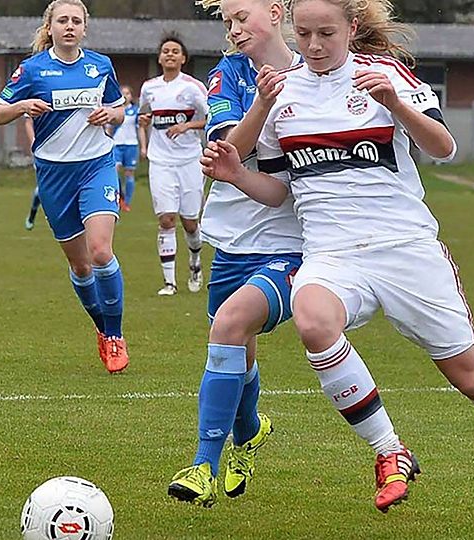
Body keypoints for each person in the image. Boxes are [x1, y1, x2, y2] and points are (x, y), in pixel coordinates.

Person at [201, 0, 474, 525]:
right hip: (332, 254)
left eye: (327, 33)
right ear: (290, 29)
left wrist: (396, 104)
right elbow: (279, 193)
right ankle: (389, 450)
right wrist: (237, 175)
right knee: (313, 318)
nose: (315, 45)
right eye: (304, 34)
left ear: (350, 28)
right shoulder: (280, 95)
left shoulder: (384, 75)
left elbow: (443, 146)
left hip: (406, 249)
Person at [167, 0, 304, 508]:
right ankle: (250, 432)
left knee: (228, 327)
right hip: (232, 242)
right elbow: (228, 148)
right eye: (227, 21)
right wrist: (263, 105)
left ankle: (203, 465)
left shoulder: (317, 73)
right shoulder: (228, 74)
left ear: (274, 11)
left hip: (292, 247)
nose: (234, 28)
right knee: (236, 351)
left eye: (241, 16)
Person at [0, 0, 129, 373]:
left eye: (76, 21)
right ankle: (101, 328)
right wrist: (23, 107)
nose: (69, 26)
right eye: (62, 20)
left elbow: (119, 108)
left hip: (97, 165)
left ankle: (115, 336)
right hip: (54, 175)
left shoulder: (100, 66)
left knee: (100, 252)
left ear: (85, 28)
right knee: (81, 266)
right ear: (49, 27)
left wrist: (110, 114)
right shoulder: (32, 69)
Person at [138, 35, 209, 296]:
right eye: (165, 51)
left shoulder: (192, 87)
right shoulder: (150, 88)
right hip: (161, 162)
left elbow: (211, 117)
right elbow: (143, 115)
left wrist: (187, 125)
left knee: (190, 222)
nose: (169, 55)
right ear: (159, 57)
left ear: (183, 59)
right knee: (166, 219)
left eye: (175, 51)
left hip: (190, 160)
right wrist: (144, 125)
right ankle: (169, 282)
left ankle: (195, 262)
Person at [108, 84, 140, 212]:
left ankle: (127, 202)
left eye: (127, 93)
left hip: (131, 145)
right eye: (123, 93)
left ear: (131, 96)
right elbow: (109, 128)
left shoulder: (136, 110)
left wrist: (143, 146)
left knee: (129, 173)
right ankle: (118, 198)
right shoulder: (115, 111)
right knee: (114, 170)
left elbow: (140, 129)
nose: (125, 96)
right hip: (116, 144)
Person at [22, 116, 43, 230]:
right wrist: (34, 145)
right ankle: (32, 216)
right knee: (43, 188)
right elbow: (28, 122)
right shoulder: (35, 98)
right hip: (46, 154)